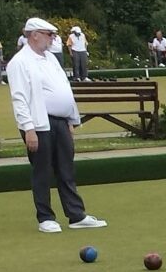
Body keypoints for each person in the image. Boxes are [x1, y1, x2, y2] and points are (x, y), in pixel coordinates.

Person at [8, 17, 107, 234]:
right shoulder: (19, 62)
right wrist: (28, 128)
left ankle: (76, 215)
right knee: (42, 170)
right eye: (49, 34)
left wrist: (71, 119)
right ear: (34, 35)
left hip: (60, 122)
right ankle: (45, 217)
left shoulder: (51, 59)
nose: (53, 38)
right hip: (39, 123)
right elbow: (19, 98)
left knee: (66, 169)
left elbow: (64, 89)